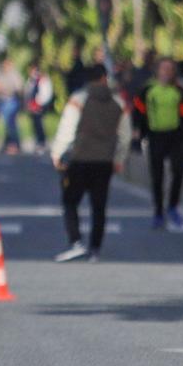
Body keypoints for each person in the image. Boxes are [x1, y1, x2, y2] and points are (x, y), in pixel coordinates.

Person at [51, 63, 128, 261]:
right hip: (104, 161)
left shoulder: (78, 100)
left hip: (80, 159)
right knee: (99, 206)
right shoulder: (119, 102)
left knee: (70, 201)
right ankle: (95, 248)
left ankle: (76, 242)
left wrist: (57, 153)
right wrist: (119, 158)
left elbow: (67, 130)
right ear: (105, 78)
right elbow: (124, 135)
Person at [137, 58, 183, 228]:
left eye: (170, 69)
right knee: (157, 175)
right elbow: (138, 108)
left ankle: (173, 206)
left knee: (178, 170)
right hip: (155, 135)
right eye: (164, 69)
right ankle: (158, 211)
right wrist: (140, 128)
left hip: (175, 136)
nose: (166, 73)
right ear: (158, 71)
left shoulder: (179, 90)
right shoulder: (149, 89)